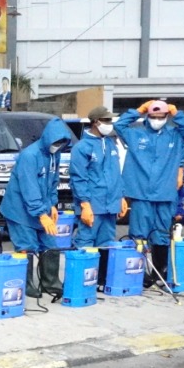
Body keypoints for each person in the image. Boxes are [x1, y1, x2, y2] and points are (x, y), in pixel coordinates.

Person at [115, 99, 184, 287]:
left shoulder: (175, 136)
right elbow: (119, 125)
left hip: (165, 193)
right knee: (139, 233)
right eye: (153, 116)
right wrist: (138, 110)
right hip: (141, 193)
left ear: (167, 117)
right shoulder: (136, 135)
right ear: (147, 116)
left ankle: (159, 271)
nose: (157, 119)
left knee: (161, 233)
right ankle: (138, 272)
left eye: (161, 117)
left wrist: (178, 114)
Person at [1, 117, 71, 299]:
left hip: (41, 206)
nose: (58, 145)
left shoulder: (55, 154)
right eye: (56, 142)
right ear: (48, 138)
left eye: (62, 143)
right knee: (27, 246)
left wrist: (53, 205)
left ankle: (50, 282)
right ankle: (26, 284)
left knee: (50, 243)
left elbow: (53, 182)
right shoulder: (29, 156)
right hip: (19, 209)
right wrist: (41, 213)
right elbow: (29, 188)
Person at [68, 105, 127, 288]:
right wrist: (85, 204)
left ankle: (101, 281)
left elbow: (116, 173)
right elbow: (78, 178)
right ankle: (82, 281)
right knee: (86, 242)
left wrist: (121, 197)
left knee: (106, 242)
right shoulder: (82, 148)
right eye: (107, 120)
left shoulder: (110, 143)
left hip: (110, 204)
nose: (110, 124)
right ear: (96, 122)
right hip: (93, 204)